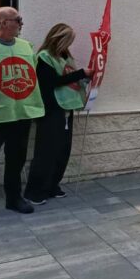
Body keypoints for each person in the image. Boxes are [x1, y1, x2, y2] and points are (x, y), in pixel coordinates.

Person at [0, 7, 45, 223]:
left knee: (16, 160)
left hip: (21, 114)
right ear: (4, 23)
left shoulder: (26, 46)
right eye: (17, 19)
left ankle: (14, 198)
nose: (21, 23)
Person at [24, 24, 93, 205]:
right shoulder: (44, 57)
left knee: (62, 151)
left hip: (66, 109)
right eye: (68, 40)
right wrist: (79, 74)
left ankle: (52, 186)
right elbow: (50, 83)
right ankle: (34, 191)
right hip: (50, 111)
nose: (70, 44)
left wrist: (85, 77)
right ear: (59, 39)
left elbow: (69, 79)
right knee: (45, 152)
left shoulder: (65, 56)